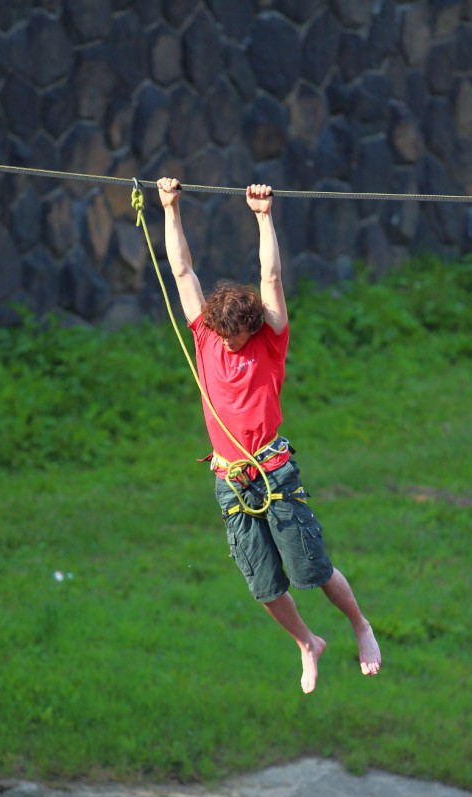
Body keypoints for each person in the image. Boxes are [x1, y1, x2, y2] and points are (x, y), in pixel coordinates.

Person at [157, 176, 381, 693]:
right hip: (230, 480)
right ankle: (307, 643)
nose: (233, 346)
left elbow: (271, 275)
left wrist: (262, 216)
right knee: (262, 582)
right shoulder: (206, 335)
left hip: (274, 470)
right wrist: (170, 208)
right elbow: (183, 269)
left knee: (313, 567)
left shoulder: (269, 339)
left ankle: (360, 625)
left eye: (240, 338)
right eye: (228, 337)